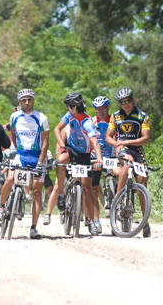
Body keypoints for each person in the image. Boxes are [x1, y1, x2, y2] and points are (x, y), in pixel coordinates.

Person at [0, 89, 49, 239]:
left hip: (37, 156)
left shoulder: (41, 117)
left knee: (36, 191)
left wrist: (40, 163)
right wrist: (17, 149)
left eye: (29, 99)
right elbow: (12, 134)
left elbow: (45, 143)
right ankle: (1, 207)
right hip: (21, 155)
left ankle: (33, 227)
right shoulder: (14, 116)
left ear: (33, 100)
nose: (27, 102)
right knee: (9, 179)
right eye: (24, 100)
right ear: (19, 101)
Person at [54, 93, 103, 235]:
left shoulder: (87, 122)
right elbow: (57, 129)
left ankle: (91, 221)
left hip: (84, 155)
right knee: (61, 161)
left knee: (87, 188)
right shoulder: (69, 116)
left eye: (68, 107)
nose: (67, 109)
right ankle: (62, 194)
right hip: (71, 149)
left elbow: (94, 141)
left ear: (74, 107)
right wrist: (62, 146)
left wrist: (99, 159)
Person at [105, 87, 151, 237]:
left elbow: (145, 138)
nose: (126, 104)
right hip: (123, 149)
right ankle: (116, 203)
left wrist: (129, 141)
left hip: (137, 150)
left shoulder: (142, 116)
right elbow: (108, 136)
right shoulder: (115, 116)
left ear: (133, 99)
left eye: (128, 101)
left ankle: (145, 222)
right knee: (126, 162)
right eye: (122, 102)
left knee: (142, 181)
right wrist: (117, 144)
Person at [89, 96, 113, 232]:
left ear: (108, 107)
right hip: (97, 158)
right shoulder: (91, 122)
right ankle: (96, 221)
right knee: (93, 188)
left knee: (120, 176)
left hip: (112, 156)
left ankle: (117, 210)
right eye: (98, 109)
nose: (101, 111)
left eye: (103, 108)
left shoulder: (114, 120)